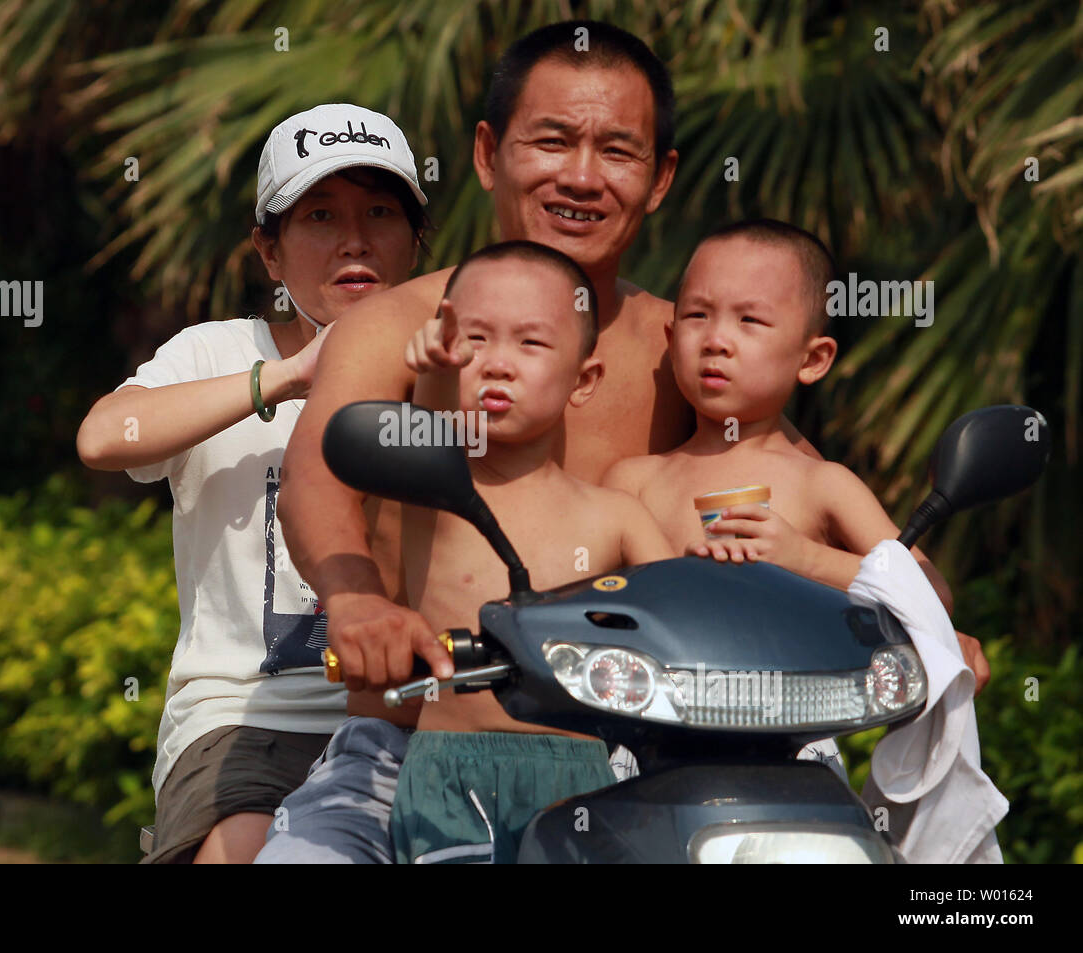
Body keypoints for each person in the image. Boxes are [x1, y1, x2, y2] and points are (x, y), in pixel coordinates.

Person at [257, 21, 988, 863]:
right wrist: (357, 601)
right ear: (490, 154)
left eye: (617, 150)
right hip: (410, 747)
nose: (581, 175)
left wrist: (923, 622)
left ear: (661, 177)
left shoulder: (680, 350)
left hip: (645, 754)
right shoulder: (396, 328)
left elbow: (788, 495)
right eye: (553, 140)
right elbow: (319, 483)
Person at [75, 103, 429, 863]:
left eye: (380, 211)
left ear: (416, 242)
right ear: (269, 253)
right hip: (247, 720)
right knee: (244, 843)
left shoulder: (458, 368)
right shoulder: (220, 352)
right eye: (320, 215)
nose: (355, 239)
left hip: (416, 718)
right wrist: (292, 376)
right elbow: (104, 435)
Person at [390, 240, 675, 864]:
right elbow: (429, 428)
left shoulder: (614, 516)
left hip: (584, 772)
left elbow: (680, 625)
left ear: (585, 379)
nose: (497, 364)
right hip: (447, 776)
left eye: (531, 343)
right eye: (475, 341)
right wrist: (435, 367)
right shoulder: (435, 492)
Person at [602, 220, 958, 612]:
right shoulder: (634, 482)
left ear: (812, 360)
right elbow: (594, 595)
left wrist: (805, 558)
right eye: (698, 315)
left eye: (750, 320)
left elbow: (932, 592)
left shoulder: (822, 483)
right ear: (671, 341)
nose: (716, 341)